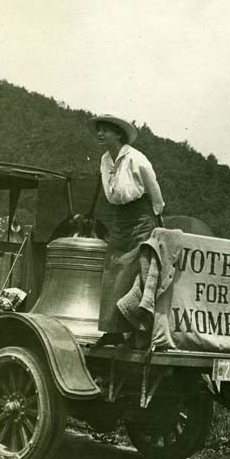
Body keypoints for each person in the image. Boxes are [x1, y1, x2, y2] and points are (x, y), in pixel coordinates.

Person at [88, 114, 165, 345]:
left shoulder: (136, 158)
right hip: (120, 218)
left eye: (106, 130)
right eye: (99, 130)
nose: (100, 134)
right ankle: (113, 330)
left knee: (138, 270)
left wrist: (156, 216)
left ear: (119, 134)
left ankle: (136, 332)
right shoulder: (104, 160)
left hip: (141, 216)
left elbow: (154, 189)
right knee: (114, 269)